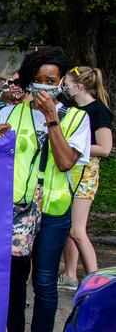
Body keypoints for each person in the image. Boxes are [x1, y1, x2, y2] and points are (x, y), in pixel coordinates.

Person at [0, 47, 91, 332]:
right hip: (18, 209)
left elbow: (66, 162)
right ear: (29, 81)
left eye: (52, 81)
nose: (46, 87)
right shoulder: (11, 114)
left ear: (62, 82)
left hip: (53, 210)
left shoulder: (78, 119)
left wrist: (52, 118)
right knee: (15, 278)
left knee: (45, 282)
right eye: (39, 81)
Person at [58, 66, 113, 290]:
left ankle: (98, 284)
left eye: (67, 83)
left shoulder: (98, 110)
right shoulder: (73, 109)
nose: (63, 87)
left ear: (79, 86)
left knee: (77, 231)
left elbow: (106, 148)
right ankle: (70, 275)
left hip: (86, 173)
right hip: (70, 172)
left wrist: (75, 147)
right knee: (70, 227)